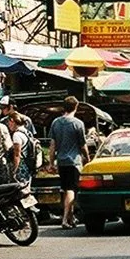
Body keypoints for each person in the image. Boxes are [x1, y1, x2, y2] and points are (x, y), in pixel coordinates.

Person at [49, 98, 88, 229]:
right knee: (71, 190)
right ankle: (65, 219)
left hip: (61, 161)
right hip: (74, 162)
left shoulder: (56, 122)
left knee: (66, 189)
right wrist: (87, 159)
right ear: (76, 107)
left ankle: (71, 218)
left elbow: (52, 145)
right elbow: (83, 145)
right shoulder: (78, 124)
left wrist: (51, 163)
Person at [5, 104, 36, 188]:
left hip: (21, 166)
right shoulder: (27, 132)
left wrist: (14, 170)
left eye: (8, 122)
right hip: (28, 164)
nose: (8, 125)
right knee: (27, 187)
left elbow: (17, 154)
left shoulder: (17, 135)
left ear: (12, 121)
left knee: (20, 189)